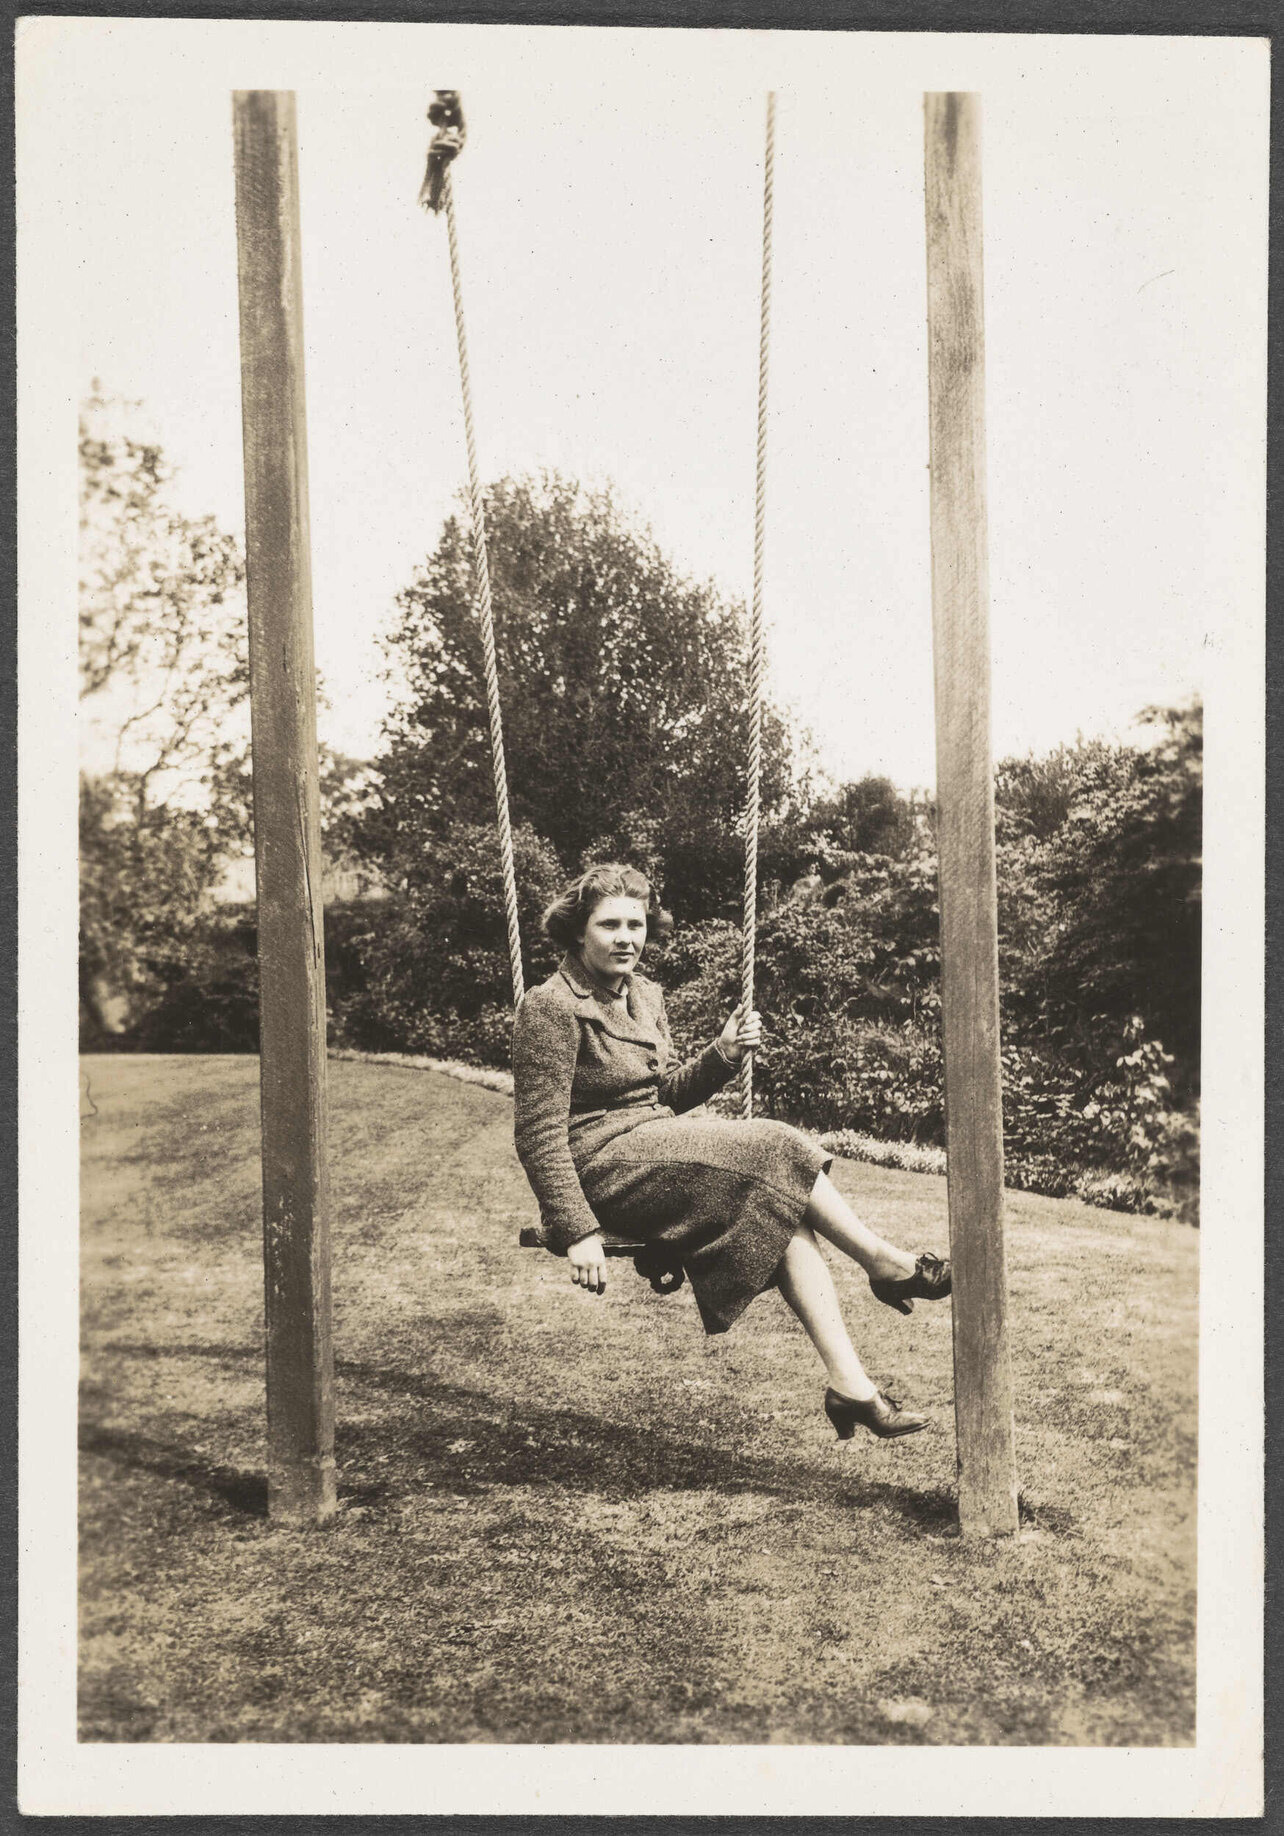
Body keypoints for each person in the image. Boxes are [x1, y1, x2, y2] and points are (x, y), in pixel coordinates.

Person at [511, 863, 952, 1440]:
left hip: (649, 1144)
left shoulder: (644, 994)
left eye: (636, 925)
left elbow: (662, 1094)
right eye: (609, 925)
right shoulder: (550, 1005)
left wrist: (720, 1054)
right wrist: (577, 1231)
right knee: (773, 1142)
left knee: (785, 1208)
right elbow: (538, 1132)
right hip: (599, 1163)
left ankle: (852, 1388)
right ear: (577, 932)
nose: (626, 938)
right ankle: (884, 1263)